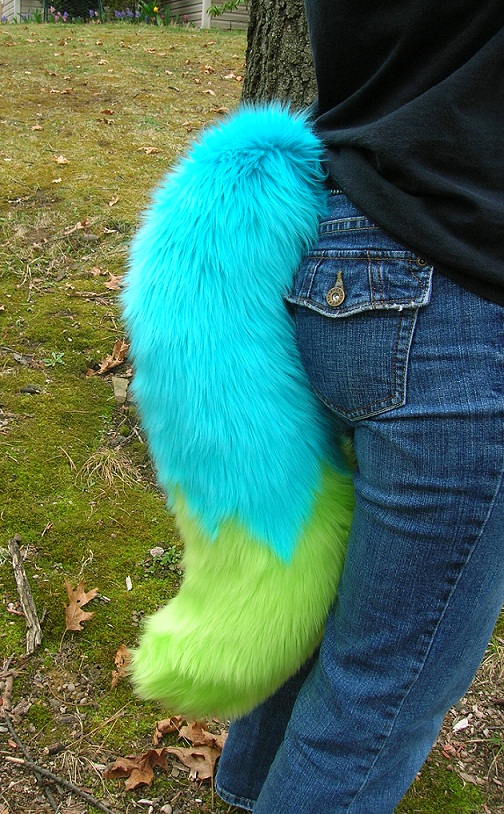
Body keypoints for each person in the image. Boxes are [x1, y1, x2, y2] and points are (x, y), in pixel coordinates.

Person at [215, 2, 504, 811]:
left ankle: (245, 795)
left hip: (332, 243)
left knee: (313, 615)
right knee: (383, 686)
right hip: (459, 267)